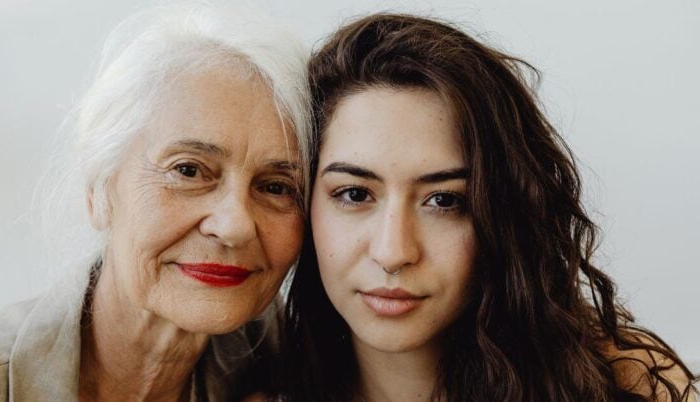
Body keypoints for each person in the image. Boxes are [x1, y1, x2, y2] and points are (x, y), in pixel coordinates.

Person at [277, 13, 698, 402]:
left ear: (503, 213)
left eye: (444, 201)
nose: (393, 252)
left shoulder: (632, 384)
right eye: (354, 194)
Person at [0, 4, 311, 401]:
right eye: (188, 171)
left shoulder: (302, 376)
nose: (234, 224)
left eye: (276, 187)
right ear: (98, 189)